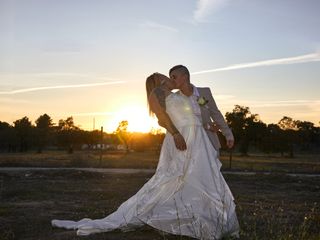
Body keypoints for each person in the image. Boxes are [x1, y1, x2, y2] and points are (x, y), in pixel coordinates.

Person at [51, 73, 239, 239]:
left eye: (172, 76)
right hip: (180, 139)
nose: (168, 78)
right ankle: (143, 212)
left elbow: (195, 114)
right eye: (164, 76)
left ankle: (203, 216)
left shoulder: (179, 95)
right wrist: (175, 134)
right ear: (158, 80)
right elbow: (162, 118)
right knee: (174, 177)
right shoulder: (156, 93)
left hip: (197, 140)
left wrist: (209, 127)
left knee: (196, 177)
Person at [168, 65, 234, 153]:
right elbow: (179, 123)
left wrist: (228, 134)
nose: (171, 80)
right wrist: (207, 126)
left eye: (174, 77)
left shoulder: (204, 92)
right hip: (187, 145)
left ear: (185, 77)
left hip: (209, 142)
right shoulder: (173, 98)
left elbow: (215, 114)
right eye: (170, 78)